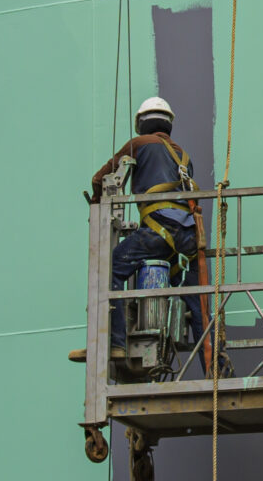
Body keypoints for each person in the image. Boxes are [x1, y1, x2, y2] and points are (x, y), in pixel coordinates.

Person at [88, 96, 208, 354]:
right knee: (198, 303)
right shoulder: (184, 157)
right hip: (186, 238)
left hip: (157, 230)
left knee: (111, 270)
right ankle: (216, 369)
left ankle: (117, 343)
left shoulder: (139, 144)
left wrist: (97, 201)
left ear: (141, 122)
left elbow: (101, 177)